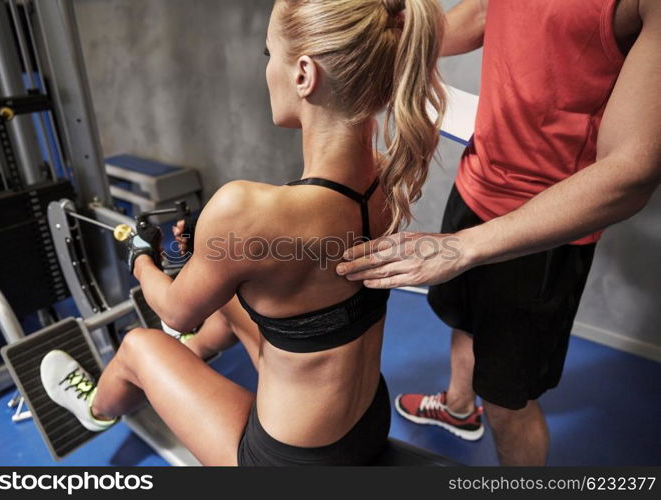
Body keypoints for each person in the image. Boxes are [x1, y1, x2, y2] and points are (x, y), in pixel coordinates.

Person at [38, 0, 446, 466]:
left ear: (303, 75)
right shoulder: (388, 174)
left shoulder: (245, 210)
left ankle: (94, 410)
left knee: (138, 345)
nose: (268, 68)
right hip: (366, 421)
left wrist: (139, 256)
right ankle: (190, 359)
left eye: (268, 53)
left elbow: (175, 312)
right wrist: (216, 254)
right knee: (229, 300)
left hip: (290, 463)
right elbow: (298, 265)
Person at [336, 0, 661, 466]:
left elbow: (632, 170)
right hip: (476, 182)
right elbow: (488, 14)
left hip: (543, 226)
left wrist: (464, 248)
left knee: (509, 403)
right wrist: (388, 35)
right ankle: (459, 408)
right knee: (463, 320)